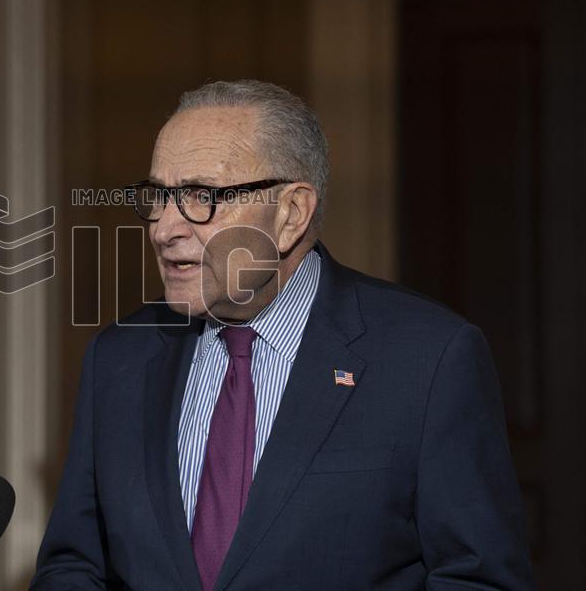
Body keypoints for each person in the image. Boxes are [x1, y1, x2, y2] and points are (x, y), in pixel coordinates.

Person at [33, 80, 533, 589]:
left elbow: (479, 578)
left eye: (201, 197)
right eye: (159, 196)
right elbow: (75, 565)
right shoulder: (119, 357)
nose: (163, 229)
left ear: (291, 213)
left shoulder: (428, 359)